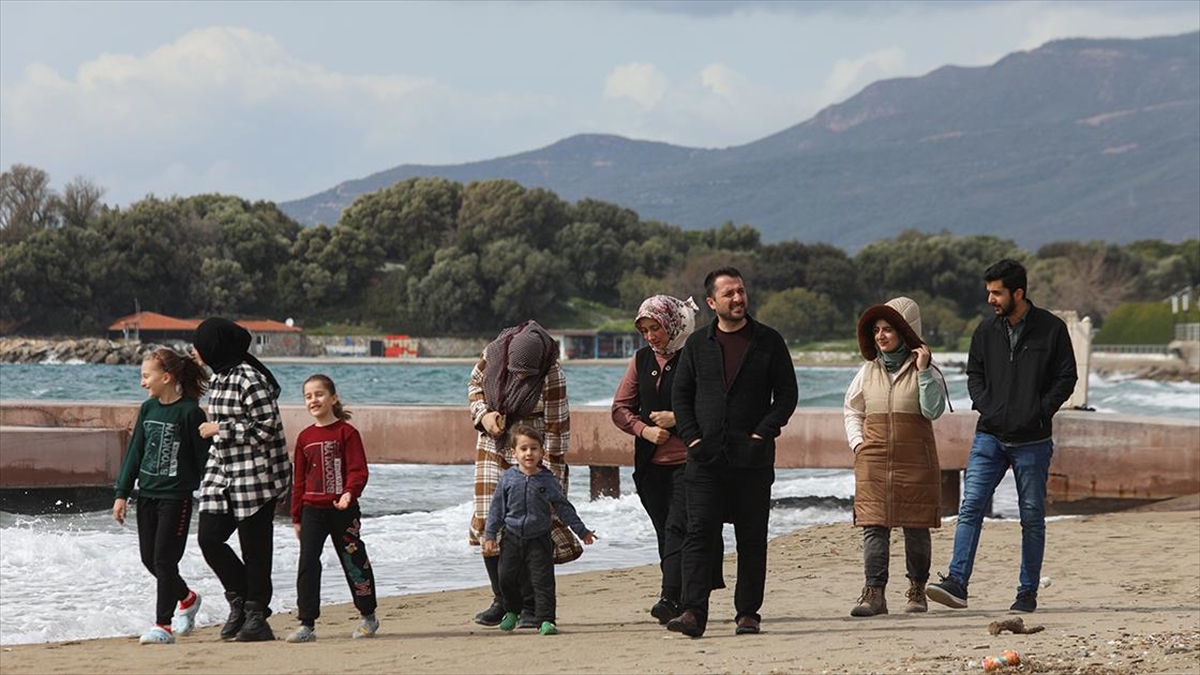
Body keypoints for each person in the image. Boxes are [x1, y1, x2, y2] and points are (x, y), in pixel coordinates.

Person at [926, 259, 1077, 614]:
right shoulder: (984, 331)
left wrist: (1040, 410)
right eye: (989, 293)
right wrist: (988, 407)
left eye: (997, 293)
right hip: (989, 436)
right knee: (970, 507)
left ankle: (1027, 593)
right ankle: (957, 583)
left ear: (1018, 293)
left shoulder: (1051, 329)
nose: (991, 299)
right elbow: (974, 375)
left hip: (1033, 441)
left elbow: (1066, 377)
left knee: (1031, 516)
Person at [667, 267, 799, 638]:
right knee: (699, 534)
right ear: (712, 303)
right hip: (705, 460)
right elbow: (681, 396)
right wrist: (692, 439)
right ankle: (693, 612)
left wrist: (762, 433)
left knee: (752, 539)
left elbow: (786, 395)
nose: (738, 299)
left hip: (752, 461)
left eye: (741, 291)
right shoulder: (696, 345)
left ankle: (748, 613)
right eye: (729, 294)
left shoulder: (769, 341)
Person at [611, 294, 724, 626]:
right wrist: (644, 431)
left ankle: (670, 597)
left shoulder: (698, 355)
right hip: (650, 467)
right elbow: (620, 408)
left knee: (679, 526)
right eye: (644, 330)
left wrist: (677, 419)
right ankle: (686, 595)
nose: (650, 336)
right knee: (667, 531)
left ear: (672, 323)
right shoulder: (642, 359)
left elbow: (716, 406)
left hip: (691, 461)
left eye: (655, 328)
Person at [843, 297, 950, 617]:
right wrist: (858, 444)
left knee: (916, 526)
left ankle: (918, 590)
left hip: (916, 459)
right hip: (873, 460)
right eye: (876, 330)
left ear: (906, 331)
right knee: (873, 526)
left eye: (888, 329)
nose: (880, 336)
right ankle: (874, 594)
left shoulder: (927, 371)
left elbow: (933, 410)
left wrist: (924, 371)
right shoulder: (867, 370)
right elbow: (852, 410)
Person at [468, 320, 576, 628]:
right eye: (517, 372)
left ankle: (531, 607)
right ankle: (501, 600)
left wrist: (549, 476)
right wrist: (484, 415)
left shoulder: (552, 373)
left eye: (528, 374)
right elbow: (475, 388)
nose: (521, 378)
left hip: (533, 452)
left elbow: (557, 428)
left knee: (533, 525)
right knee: (489, 519)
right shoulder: (491, 355)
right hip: (493, 445)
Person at [192, 317, 292, 642]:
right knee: (209, 537)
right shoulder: (219, 376)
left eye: (200, 344)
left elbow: (267, 427)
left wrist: (220, 429)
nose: (195, 350)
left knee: (255, 549)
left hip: (256, 474)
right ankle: (241, 599)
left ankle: (255, 615)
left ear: (215, 346)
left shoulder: (249, 378)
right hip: (222, 472)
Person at [112, 347, 212, 645]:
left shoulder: (190, 412)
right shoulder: (148, 409)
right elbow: (134, 453)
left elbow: (203, 459)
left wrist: (209, 492)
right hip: (147, 495)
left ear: (166, 377)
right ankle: (188, 597)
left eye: (146, 376)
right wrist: (122, 494)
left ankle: (163, 626)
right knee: (149, 559)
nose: (143, 382)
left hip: (176, 499)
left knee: (164, 560)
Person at [285, 374, 379, 643]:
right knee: (307, 564)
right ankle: (307, 624)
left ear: (333, 398)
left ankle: (368, 616)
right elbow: (299, 481)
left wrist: (350, 493)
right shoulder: (305, 437)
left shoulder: (346, 432)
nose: (314, 400)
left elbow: (358, 470)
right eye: (308, 396)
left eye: (319, 394)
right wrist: (296, 517)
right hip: (311, 511)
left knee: (354, 559)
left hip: (343, 511)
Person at [483, 425, 596, 636]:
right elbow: (497, 508)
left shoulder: (547, 479)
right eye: (524, 449)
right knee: (505, 577)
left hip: (539, 539)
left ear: (542, 452)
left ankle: (545, 620)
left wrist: (582, 531)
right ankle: (512, 611)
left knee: (542, 581)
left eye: (534, 448)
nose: (529, 453)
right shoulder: (508, 478)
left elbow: (563, 507)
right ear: (513, 453)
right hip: (512, 537)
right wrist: (490, 534)